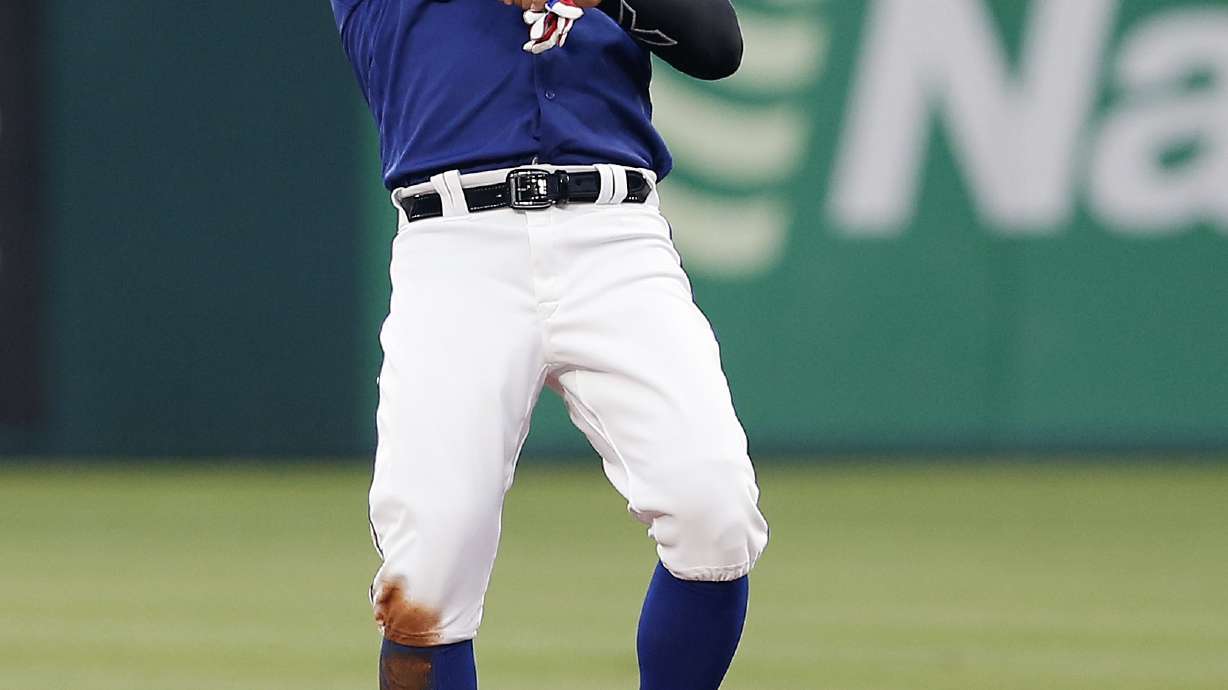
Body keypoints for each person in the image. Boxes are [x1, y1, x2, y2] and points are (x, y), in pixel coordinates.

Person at [330, 1, 769, 687]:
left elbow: (716, 44)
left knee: (715, 510)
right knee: (428, 571)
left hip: (614, 235)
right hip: (455, 245)